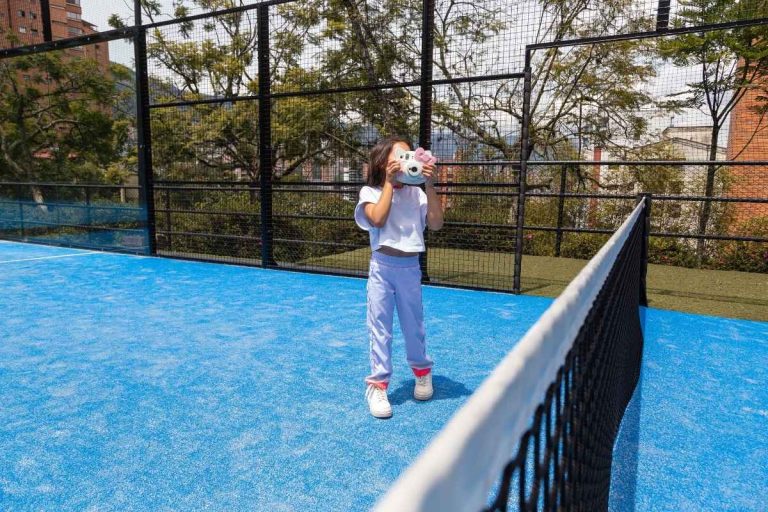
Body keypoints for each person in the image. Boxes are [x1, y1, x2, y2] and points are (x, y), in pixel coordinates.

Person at [354, 136, 444, 419]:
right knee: (379, 326)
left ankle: (422, 372)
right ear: (384, 162)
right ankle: (378, 385)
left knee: (413, 325)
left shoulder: (418, 194)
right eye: (401, 156)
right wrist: (391, 184)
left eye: (411, 156)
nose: (409, 161)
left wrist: (429, 185)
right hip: (382, 267)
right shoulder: (371, 192)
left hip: (410, 269)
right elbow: (378, 219)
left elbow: (436, 224)